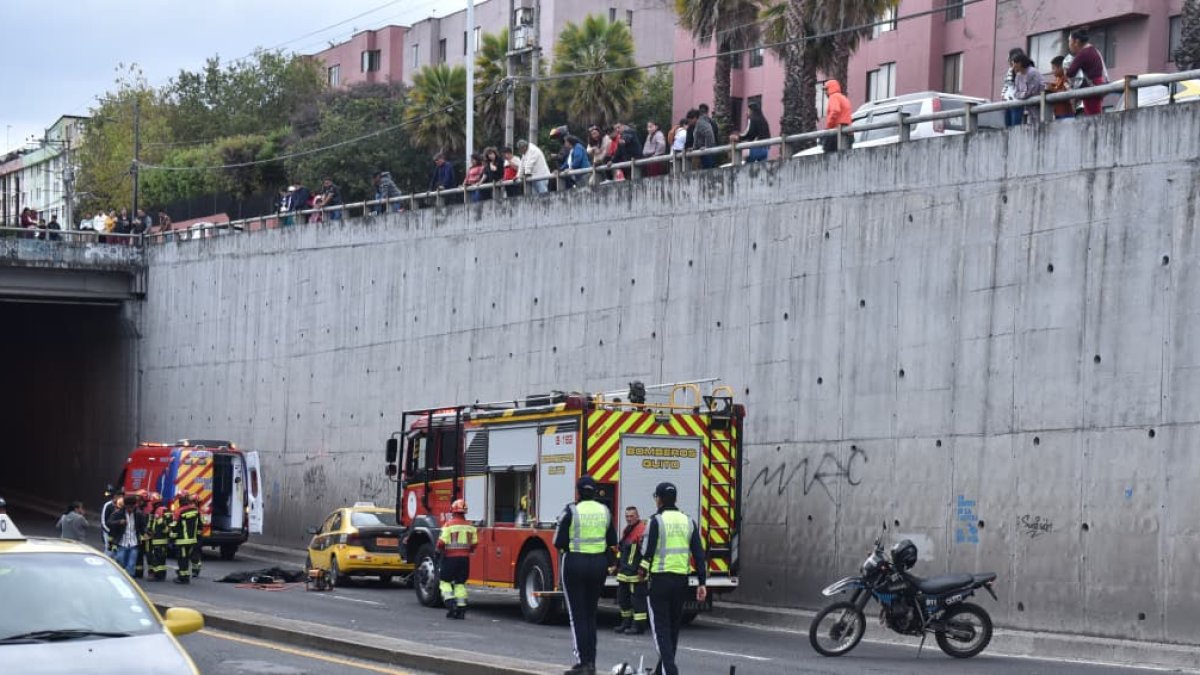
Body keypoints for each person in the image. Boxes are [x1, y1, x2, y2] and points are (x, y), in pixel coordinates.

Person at [638, 482, 707, 675]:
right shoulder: (688, 521)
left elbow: (647, 552)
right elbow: (699, 554)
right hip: (681, 582)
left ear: (659, 499)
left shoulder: (656, 521)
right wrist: (702, 582)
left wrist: (641, 572)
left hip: (660, 581)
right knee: (673, 629)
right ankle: (662, 671)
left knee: (661, 631)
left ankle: (670, 670)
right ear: (675, 499)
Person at [554, 475, 617, 675]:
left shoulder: (571, 510)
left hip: (575, 563)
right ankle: (592, 662)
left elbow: (559, 541)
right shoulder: (605, 511)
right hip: (598, 564)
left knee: (577, 616)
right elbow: (612, 540)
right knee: (591, 615)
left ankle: (583, 663)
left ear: (579, 492)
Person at [436, 499, 478, 619]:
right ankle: (461, 607)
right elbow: (475, 543)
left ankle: (450, 603)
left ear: (453, 511)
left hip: (450, 558)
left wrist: (437, 551)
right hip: (465, 559)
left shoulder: (448, 525)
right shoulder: (470, 526)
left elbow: (441, 542)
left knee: (445, 581)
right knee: (460, 583)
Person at [612, 506, 648, 635]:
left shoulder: (642, 530)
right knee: (623, 598)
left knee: (637, 601)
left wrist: (643, 569)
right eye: (627, 516)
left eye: (631, 516)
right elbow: (622, 551)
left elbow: (645, 553)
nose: (629, 519)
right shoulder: (627, 530)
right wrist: (616, 565)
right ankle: (626, 622)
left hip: (636, 573)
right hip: (624, 572)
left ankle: (638, 626)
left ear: (637, 516)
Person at [1066, 29, 1109, 116]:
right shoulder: (1093, 50)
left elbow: (1070, 73)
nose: (1069, 45)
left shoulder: (1083, 54)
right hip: (1097, 85)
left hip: (1091, 88)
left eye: (1070, 41)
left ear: (1076, 41)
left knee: (1092, 115)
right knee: (1096, 113)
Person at [106, 492, 147, 577]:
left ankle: (129, 579)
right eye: (129, 507)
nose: (130, 509)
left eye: (132, 507)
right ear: (125, 506)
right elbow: (109, 523)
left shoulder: (139, 514)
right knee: (120, 560)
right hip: (122, 543)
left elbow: (143, 526)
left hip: (134, 543)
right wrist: (119, 522)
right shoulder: (118, 513)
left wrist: (146, 533)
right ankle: (121, 576)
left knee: (131, 563)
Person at [172, 492, 200, 584]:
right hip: (193, 540)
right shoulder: (195, 510)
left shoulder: (178, 511)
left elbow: (175, 526)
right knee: (187, 558)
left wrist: (172, 537)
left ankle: (183, 578)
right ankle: (184, 575)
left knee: (182, 559)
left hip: (182, 541)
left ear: (181, 500)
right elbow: (200, 525)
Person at [822, 80, 854, 153]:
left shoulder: (833, 97)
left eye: (826, 89)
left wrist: (828, 126)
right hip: (848, 133)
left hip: (836, 133)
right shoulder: (843, 98)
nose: (825, 93)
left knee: (829, 157)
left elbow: (835, 111)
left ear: (831, 88)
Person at [1012, 54, 1044, 123]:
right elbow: (1015, 93)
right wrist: (1023, 95)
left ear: (1019, 63)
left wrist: (1022, 95)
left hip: (1038, 105)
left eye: (1014, 64)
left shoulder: (1032, 72)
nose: (1013, 67)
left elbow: (1033, 91)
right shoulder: (1018, 76)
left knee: (1040, 124)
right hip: (1028, 107)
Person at [146, 494, 171, 581]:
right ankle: (159, 575)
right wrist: (148, 531)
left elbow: (168, 526)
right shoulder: (154, 511)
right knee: (158, 558)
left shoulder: (163, 511)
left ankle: (158, 575)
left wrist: (162, 531)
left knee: (159, 558)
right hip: (154, 539)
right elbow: (151, 524)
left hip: (160, 539)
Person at [1001, 47, 1027, 126]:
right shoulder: (1009, 70)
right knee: (1007, 126)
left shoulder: (1023, 69)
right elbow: (1006, 84)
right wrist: (1003, 94)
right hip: (1007, 101)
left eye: (1009, 57)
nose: (1008, 60)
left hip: (1016, 101)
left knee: (1015, 126)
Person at [1046, 55, 1076, 121]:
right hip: (1057, 113)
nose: (1052, 71)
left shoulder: (1066, 78)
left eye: (1054, 68)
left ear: (1061, 67)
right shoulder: (1057, 79)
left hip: (1066, 113)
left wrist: (1053, 89)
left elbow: (1067, 93)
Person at [100, 485, 121, 552]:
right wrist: (108, 531)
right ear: (115, 496)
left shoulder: (121, 506)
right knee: (109, 550)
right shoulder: (108, 505)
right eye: (119, 497)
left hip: (117, 534)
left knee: (115, 551)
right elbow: (103, 521)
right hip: (108, 532)